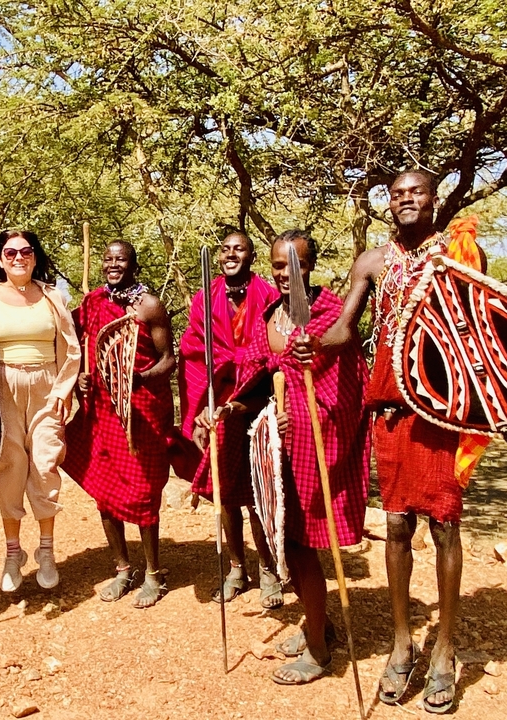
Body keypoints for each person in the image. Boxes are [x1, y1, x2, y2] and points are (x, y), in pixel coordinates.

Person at [318, 169, 488, 713]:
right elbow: (346, 327)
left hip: (437, 412)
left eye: (417, 192)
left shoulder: (459, 255)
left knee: (443, 525)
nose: (406, 200)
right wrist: (311, 343)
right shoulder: (371, 261)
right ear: (387, 204)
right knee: (394, 524)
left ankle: (444, 650)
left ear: (434, 200)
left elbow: (480, 332)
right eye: (397, 195)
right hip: (387, 413)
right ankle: (400, 645)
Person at [196, 230, 368, 685]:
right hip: (275, 447)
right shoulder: (269, 316)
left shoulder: (332, 315)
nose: (286, 274)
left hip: (317, 448)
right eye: (277, 266)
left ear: (311, 265)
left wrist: (308, 420)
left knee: (300, 545)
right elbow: (253, 382)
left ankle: (318, 652)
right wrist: (230, 407)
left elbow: (347, 395)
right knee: (281, 540)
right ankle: (320, 624)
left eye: (297, 264)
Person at [0, 229, 81, 592]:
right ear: (0, 259)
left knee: (45, 464)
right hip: (1, 389)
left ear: (34, 256)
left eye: (25, 252)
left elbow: (72, 348)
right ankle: (13, 553)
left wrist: (63, 388)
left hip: (47, 388)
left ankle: (46, 550)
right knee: (10, 465)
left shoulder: (52, 296)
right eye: (10, 252)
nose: (18, 258)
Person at [62, 240, 176, 609]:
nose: (113, 265)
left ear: (133, 265)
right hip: (101, 409)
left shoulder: (149, 306)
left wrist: (139, 378)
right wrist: (80, 376)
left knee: (143, 492)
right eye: (108, 259)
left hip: (141, 411)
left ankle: (154, 573)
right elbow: (74, 345)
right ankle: (122, 567)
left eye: (121, 260)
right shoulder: (93, 302)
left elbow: (168, 361)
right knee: (105, 489)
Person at [176, 231, 284, 607]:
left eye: (239, 249)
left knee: (257, 491)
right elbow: (194, 353)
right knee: (225, 494)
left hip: (257, 398)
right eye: (225, 249)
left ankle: (268, 568)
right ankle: (237, 567)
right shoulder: (204, 298)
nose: (231, 254)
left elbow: (276, 350)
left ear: (251, 256)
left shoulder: (269, 295)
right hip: (217, 400)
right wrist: (200, 408)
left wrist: (256, 393)